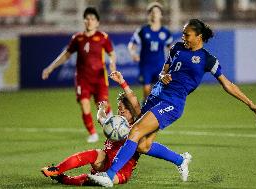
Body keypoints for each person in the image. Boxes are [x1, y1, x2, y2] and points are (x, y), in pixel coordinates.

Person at [88, 19, 256, 187]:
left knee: (134, 131)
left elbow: (227, 84)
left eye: (187, 34)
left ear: (199, 37)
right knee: (143, 146)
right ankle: (181, 160)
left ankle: (109, 176)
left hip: (173, 102)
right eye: (182, 33)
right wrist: (162, 76)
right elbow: (163, 71)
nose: (183, 37)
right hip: (155, 96)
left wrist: (250, 103)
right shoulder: (177, 48)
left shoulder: (207, 59)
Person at [42, 7, 117, 143]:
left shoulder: (103, 37)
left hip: (100, 78)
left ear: (97, 22)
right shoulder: (78, 38)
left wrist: (112, 63)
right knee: (84, 104)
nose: (89, 21)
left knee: (102, 106)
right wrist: (50, 67)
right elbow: (66, 55)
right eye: (87, 19)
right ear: (84, 21)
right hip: (83, 79)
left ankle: (112, 122)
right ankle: (93, 133)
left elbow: (111, 53)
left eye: (92, 19)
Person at [41, 91, 141, 185]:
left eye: (123, 108)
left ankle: (64, 179)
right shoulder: (115, 122)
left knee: (96, 179)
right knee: (96, 153)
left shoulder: (138, 130)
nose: (120, 111)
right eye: (119, 108)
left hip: (121, 170)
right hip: (105, 161)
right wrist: (101, 109)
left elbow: (143, 146)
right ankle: (56, 169)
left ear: (131, 109)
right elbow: (101, 118)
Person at [128, 2, 173, 103]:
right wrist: (133, 53)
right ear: (148, 15)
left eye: (157, 12)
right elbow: (132, 45)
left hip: (160, 67)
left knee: (159, 93)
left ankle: (156, 115)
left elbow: (172, 49)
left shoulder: (165, 32)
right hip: (146, 66)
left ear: (161, 15)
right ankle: (143, 113)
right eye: (152, 12)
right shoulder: (143, 30)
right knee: (147, 92)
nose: (154, 14)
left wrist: (173, 62)